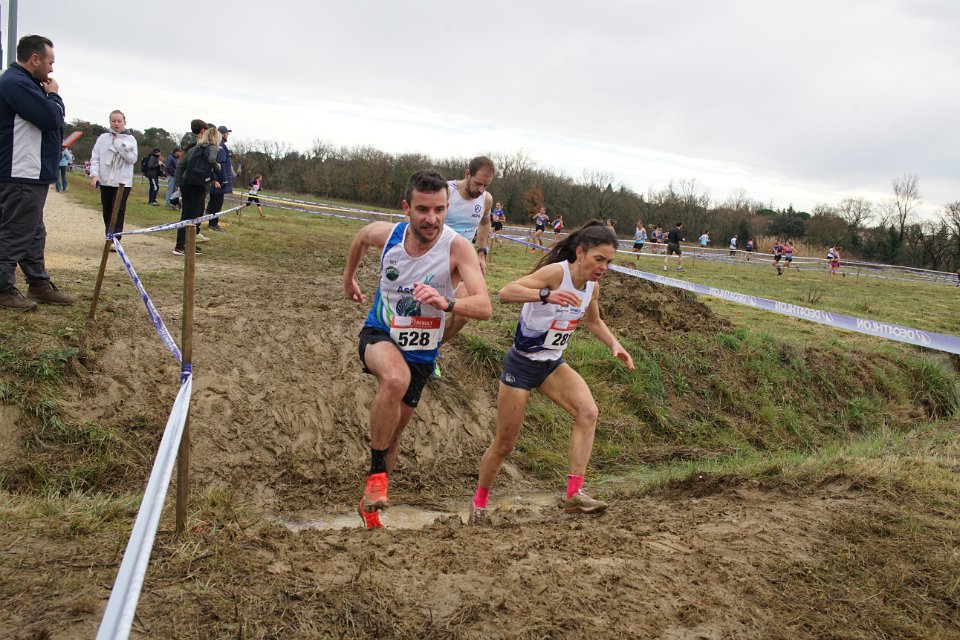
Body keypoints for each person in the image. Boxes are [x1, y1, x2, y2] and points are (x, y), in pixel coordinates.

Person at [342, 169, 492, 529]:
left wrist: (446, 302)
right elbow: (361, 237)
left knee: (394, 433)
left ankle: (371, 507)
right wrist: (349, 278)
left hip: (422, 350)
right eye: (423, 209)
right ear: (406, 208)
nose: (432, 219)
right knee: (395, 379)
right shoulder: (389, 235)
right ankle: (377, 477)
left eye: (440, 209)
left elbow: (484, 306)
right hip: (380, 332)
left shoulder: (457, 247)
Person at [468, 221, 635, 526]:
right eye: (599, 259)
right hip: (521, 365)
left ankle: (574, 494)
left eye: (609, 262)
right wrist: (546, 295)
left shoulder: (592, 287)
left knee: (588, 411)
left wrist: (614, 344)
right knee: (505, 444)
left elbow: (593, 321)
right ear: (580, 252)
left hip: (552, 366)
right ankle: (479, 503)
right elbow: (506, 292)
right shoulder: (557, 274)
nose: (603, 268)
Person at [0, 35, 76, 310]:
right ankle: (2, 288)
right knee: (16, 231)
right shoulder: (16, 83)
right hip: (21, 172)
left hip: (30, 173)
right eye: (50, 62)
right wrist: (54, 95)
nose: (52, 68)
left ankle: (38, 283)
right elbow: (50, 118)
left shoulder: (25, 84)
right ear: (35, 59)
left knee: (33, 232)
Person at [441, 156, 495, 345]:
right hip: (437, 258)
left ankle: (433, 350)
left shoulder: (486, 199)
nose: (481, 190)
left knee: (463, 316)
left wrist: (481, 252)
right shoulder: (446, 191)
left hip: (464, 261)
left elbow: (485, 223)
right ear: (467, 174)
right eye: (478, 183)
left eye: (485, 186)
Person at [88, 110, 137, 248]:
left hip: (122, 181)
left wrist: (119, 145)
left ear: (124, 122)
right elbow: (95, 157)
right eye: (113, 121)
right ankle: (108, 236)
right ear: (109, 121)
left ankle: (116, 239)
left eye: (119, 121)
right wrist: (95, 175)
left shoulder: (130, 139)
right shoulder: (103, 138)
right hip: (105, 180)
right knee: (107, 209)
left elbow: (132, 159)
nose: (116, 124)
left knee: (118, 209)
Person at [173, 126, 221, 256]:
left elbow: (180, 166)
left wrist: (179, 184)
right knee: (190, 216)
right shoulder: (213, 148)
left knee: (192, 215)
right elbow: (212, 160)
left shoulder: (194, 149)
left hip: (187, 184)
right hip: (198, 186)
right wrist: (218, 167)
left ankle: (188, 244)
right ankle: (180, 246)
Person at [206, 125, 233, 232]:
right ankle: (213, 224)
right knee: (217, 203)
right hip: (219, 180)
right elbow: (221, 165)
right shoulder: (220, 146)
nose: (228, 135)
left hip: (216, 179)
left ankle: (211, 222)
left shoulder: (217, 145)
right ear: (222, 134)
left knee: (213, 202)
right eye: (227, 133)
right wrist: (224, 180)